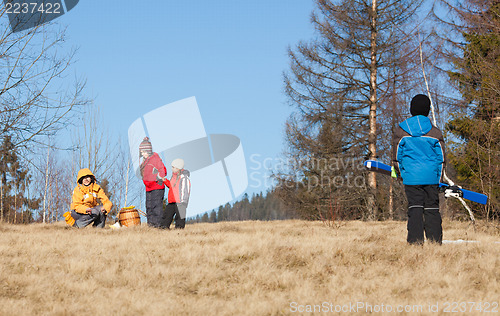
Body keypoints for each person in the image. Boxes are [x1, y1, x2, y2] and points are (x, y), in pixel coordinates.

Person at [393, 94, 445, 245]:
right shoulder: (435, 133)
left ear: (411, 109)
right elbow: (441, 158)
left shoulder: (401, 131)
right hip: (431, 178)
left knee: (415, 208)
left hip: (411, 177)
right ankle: (435, 242)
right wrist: (439, 178)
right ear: (428, 110)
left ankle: (415, 243)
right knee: (432, 209)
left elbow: (397, 157)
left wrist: (401, 174)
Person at [139, 137, 167, 228]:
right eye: (141, 152)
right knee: (149, 207)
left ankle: (158, 225)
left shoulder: (155, 159)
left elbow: (163, 171)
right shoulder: (144, 162)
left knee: (156, 207)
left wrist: (157, 177)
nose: (142, 154)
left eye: (144, 152)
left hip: (157, 187)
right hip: (148, 187)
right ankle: (150, 226)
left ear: (148, 151)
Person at [162, 158, 191, 229]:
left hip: (180, 201)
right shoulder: (173, 177)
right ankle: (163, 227)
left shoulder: (184, 178)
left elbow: (186, 190)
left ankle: (179, 229)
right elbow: (172, 186)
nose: (172, 168)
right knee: (167, 215)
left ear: (178, 168)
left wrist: (184, 201)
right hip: (172, 201)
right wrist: (165, 181)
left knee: (180, 217)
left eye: (173, 167)